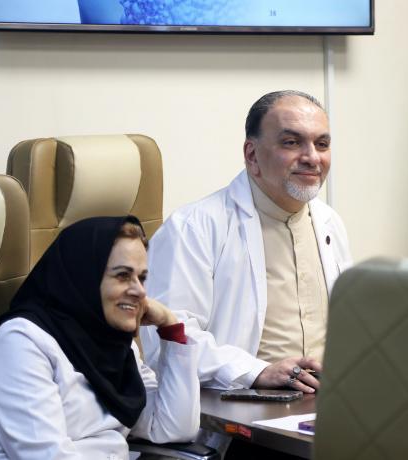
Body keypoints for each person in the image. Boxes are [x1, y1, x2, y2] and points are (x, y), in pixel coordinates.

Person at [142, 90, 353, 394]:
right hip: (238, 404)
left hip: (326, 400)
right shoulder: (193, 227)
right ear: (252, 155)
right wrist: (256, 371)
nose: (311, 157)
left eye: (322, 144)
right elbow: (167, 339)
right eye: (291, 142)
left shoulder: (330, 222)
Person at [0, 216, 201, 459]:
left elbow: (173, 428)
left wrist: (170, 326)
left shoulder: (113, 343)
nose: (140, 291)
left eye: (141, 278)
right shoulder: (19, 342)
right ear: (84, 276)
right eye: (123, 275)